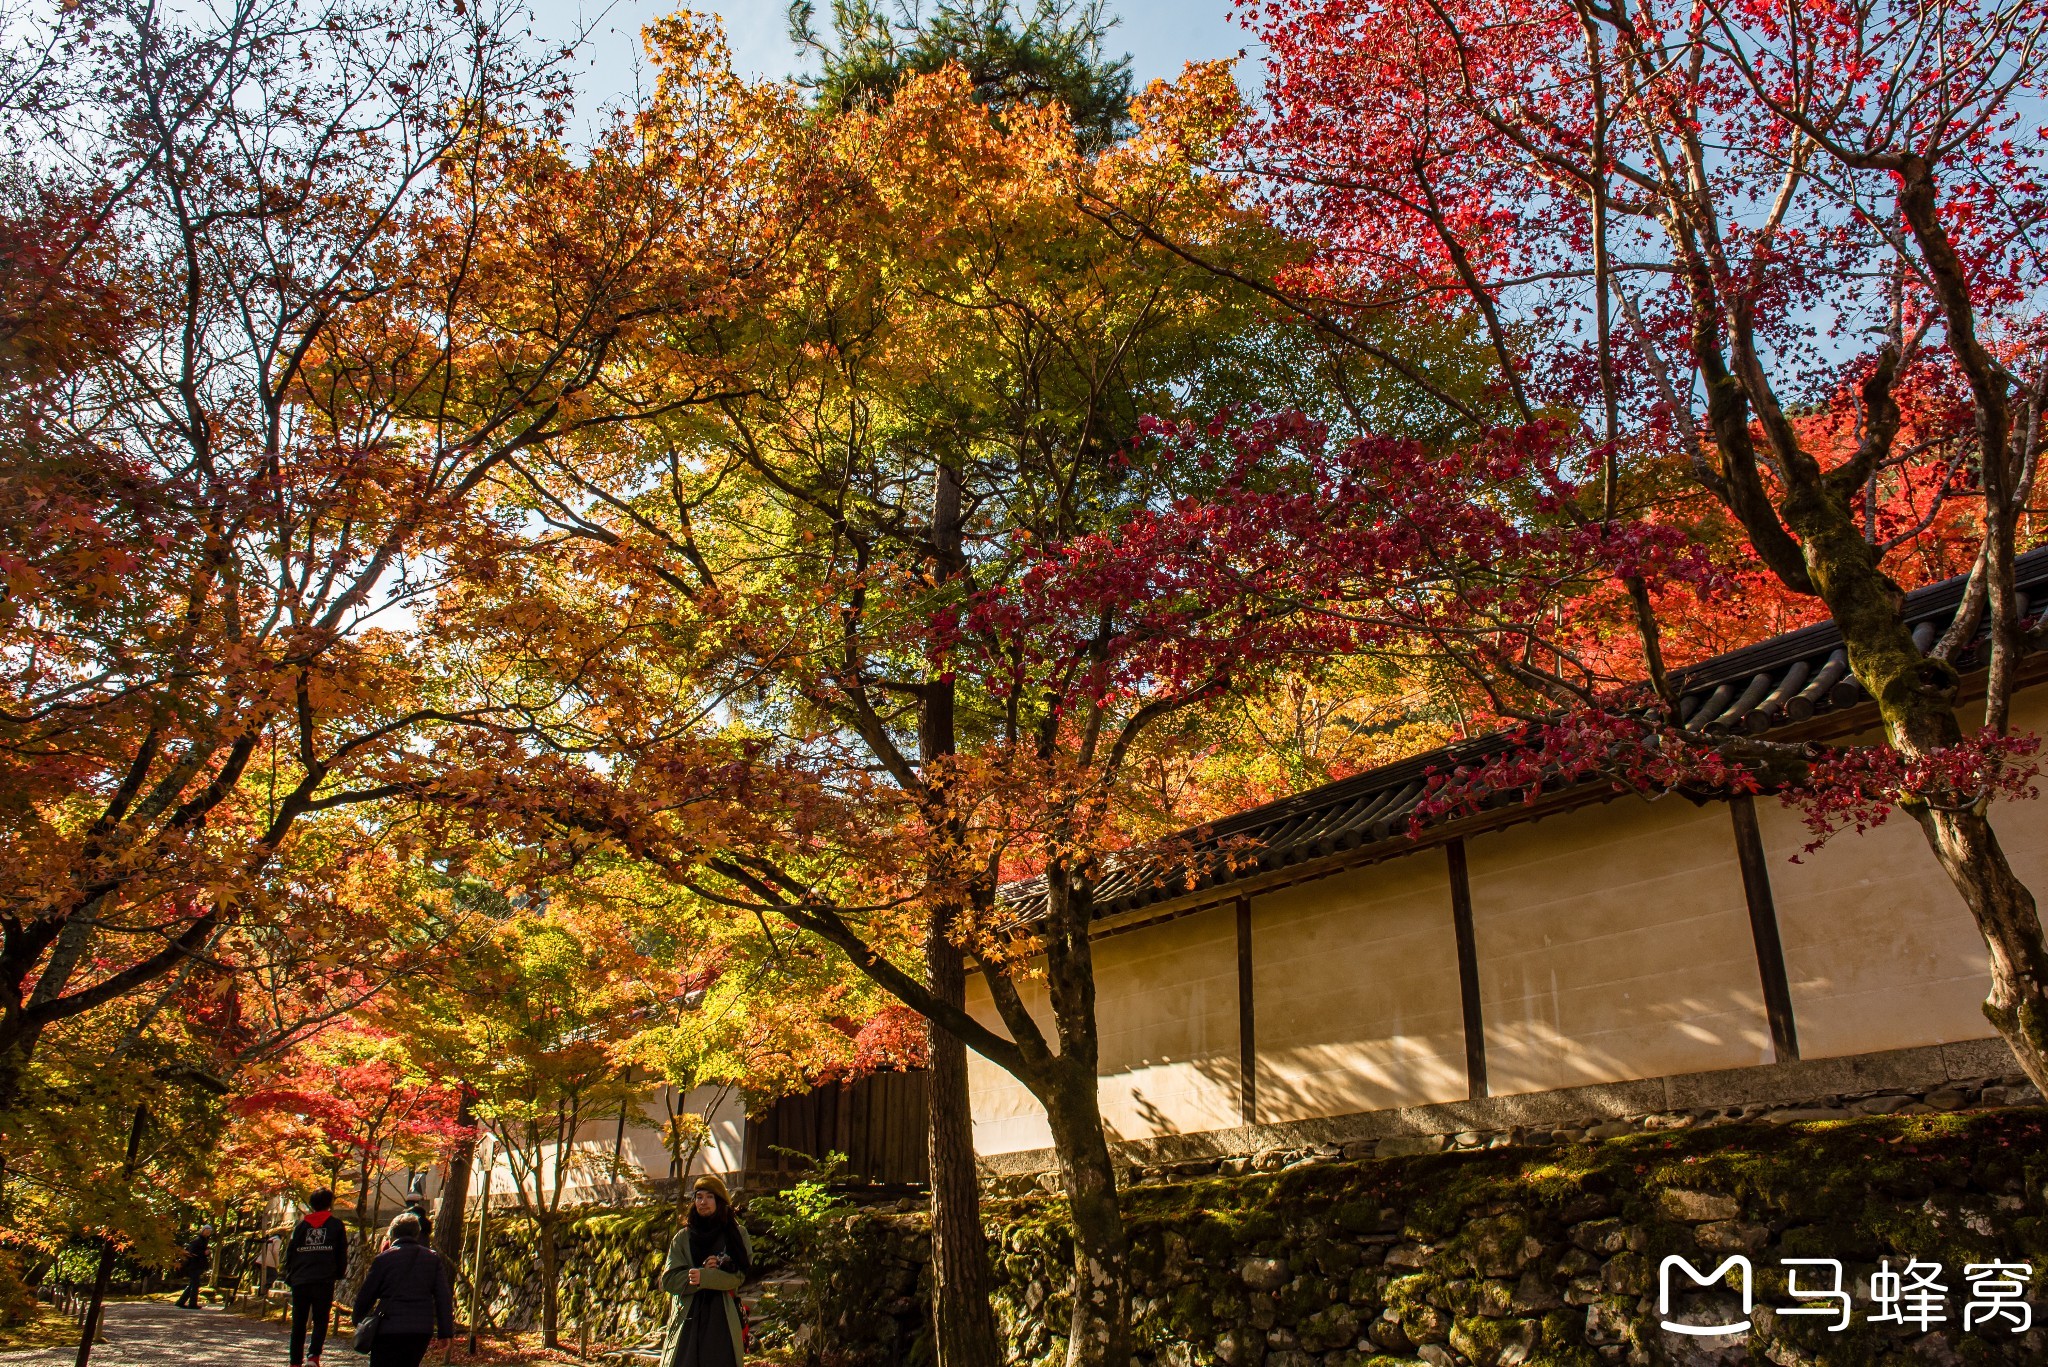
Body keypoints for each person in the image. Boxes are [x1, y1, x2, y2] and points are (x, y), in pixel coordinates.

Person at [659, 1174, 751, 1367]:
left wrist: (707, 1277)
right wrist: (695, 1275)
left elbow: (739, 1275)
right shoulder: (683, 1238)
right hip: (688, 1316)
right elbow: (669, 1280)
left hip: (722, 1317)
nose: (703, 1202)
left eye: (709, 1197)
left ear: (719, 1201)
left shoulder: (735, 1234)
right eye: (699, 1197)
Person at [352, 1212, 453, 1367]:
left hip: (388, 1328)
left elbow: (367, 1293)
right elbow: (442, 1297)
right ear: (416, 1234)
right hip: (420, 1329)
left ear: (392, 1234)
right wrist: (444, 1332)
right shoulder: (432, 1259)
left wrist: (358, 1320)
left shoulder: (383, 1259)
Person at [284, 1188, 350, 1367]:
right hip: (324, 1279)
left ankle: (295, 1361)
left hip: (301, 1279)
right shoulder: (336, 1225)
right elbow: (341, 1252)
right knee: (321, 1319)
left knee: (299, 1321)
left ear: (311, 1204)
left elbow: (290, 1252)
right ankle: (314, 1356)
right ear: (330, 1203)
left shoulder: (301, 1226)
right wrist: (338, 1273)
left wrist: (289, 1274)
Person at [174, 1225, 212, 1308]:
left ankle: (180, 1302)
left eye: (209, 1231)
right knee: (195, 1284)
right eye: (207, 1230)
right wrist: (203, 1253)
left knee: (193, 1284)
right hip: (194, 1265)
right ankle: (192, 1303)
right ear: (203, 1231)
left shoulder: (204, 1240)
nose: (208, 1232)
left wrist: (206, 1253)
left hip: (198, 1265)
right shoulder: (197, 1240)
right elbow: (191, 1252)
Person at [255, 1230, 283, 1297]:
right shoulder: (277, 1240)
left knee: (264, 1278)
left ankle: (260, 1294)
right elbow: (275, 1252)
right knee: (274, 1275)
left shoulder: (270, 1239)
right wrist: (277, 1264)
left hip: (260, 1260)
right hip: (268, 1261)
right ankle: (264, 1291)